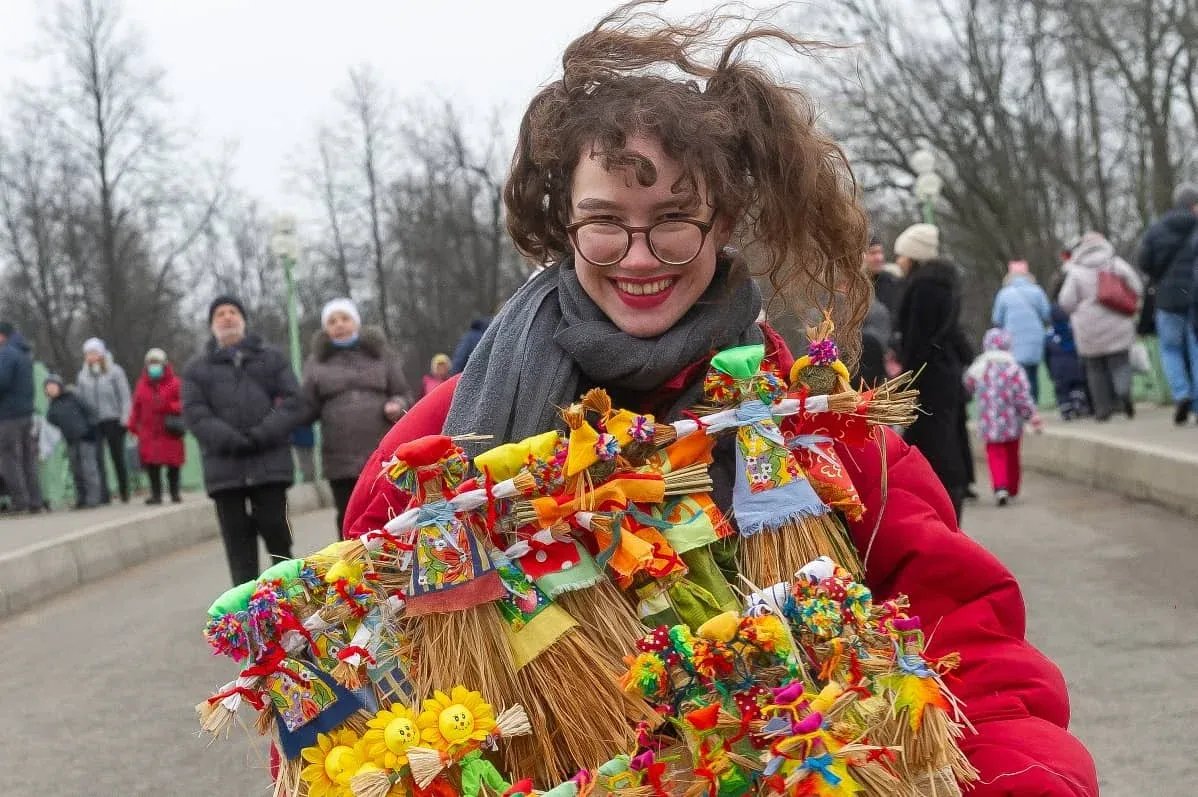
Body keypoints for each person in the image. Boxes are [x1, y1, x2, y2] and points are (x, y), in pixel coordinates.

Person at [337, 12, 1096, 795]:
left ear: (724, 220)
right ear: (564, 223)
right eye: (604, 223)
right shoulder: (441, 449)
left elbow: (966, 637)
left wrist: (1025, 777)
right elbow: (352, 696)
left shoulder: (814, 423)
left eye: (674, 221)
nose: (638, 257)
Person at [182, 296, 303, 584]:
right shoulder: (197, 369)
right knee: (237, 543)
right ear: (212, 324)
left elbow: (293, 401)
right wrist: (230, 439)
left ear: (243, 319)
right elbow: (195, 413)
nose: (227, 318)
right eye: (220, 314)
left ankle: (290, 593)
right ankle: (245, 609)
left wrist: (264, 432)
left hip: (270, 463)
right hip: (225, 469)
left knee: (278, 532)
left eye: (233, 312)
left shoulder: (271, 358)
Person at [300, 297, 412, 537]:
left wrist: (397, 404)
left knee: (388, 508)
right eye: (332, 321)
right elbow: (306, 405)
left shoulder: (381, 354)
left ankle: (392, 562)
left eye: (344, 318)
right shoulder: (316, 363)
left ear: (356, 322)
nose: (339, 325)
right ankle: (351, 565)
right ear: (325, 328)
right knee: (347, 512)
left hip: (381, 449)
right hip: (339, 456)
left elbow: (402, 392)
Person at [892, 223, 973, 519]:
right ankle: (949, 498)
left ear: (913, 256)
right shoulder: (944, 284)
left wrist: (906, 380)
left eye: (902, 255)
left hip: (928, 379)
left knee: (933, 444)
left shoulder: (924, 288)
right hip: (943, 373)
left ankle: (940, 504)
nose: (898, 260)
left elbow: (917, 339)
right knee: (943, 440)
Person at [1059, 232, 1144, 421]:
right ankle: (1123, 394)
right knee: (1120, 362)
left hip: (1088, 328)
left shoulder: (1075, 271)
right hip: (1118, 322)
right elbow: (1137, 287)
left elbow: (1066, 302)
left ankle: (1102, 410)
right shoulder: (1115, 263)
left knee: (1095, 369)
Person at [1138, 183, 1198, 425]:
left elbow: (1144, 261)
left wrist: (1159, 277)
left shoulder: (1157, 229)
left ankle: (1181, 394)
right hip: (1194, 295)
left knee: (1170, 349)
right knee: (1195, 348)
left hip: (1167, 297)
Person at [964, 329, 1043, 506]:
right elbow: (1022, 395)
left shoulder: (979, 367)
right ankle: (1012, 487)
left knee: (995, 454)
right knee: (1012, 454)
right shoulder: (1014, 368)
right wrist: (1031, 415)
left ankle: (1000, 487)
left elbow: (967, 387)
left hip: (989, 422)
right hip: (1012, 423)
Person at [76, 337, 132, 504]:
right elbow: (81, 398)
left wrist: (125, 418)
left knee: (117, 456)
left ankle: (124, 490)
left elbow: (124, 396)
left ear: (100, 353)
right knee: (97, 458)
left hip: (113, 419)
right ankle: (103, 493)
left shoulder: (114, 371)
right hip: (94, 422)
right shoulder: (83, 376)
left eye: (93, 353)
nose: (90, 356)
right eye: (87, 354)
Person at [127, 348, 185, 505]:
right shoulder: (142, 384)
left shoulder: (175, 383)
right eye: (151, 363)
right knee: (152, 465)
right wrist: (132, 425)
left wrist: (169, 406)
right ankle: (156, 494)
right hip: (149, 431)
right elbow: (136, 406)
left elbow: (183, 404)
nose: (154, 366)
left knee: (173, 464)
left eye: (157, 363)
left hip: (169, 429)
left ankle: (174, 492)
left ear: (164, 364)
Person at [991, 259, 1051, 403]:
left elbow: (997, 319)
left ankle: (1018, 403)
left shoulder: (1004, 294)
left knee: (1016, 372)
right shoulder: (1037, 291)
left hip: (1012, 338)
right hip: (1036, 335)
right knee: (1033, 372)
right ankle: (1033, 405)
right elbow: (1046, 313)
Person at [0, 322, 43, 514]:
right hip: (26, 413)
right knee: (28, 458)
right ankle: (35, 500)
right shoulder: (25, 354)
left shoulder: (6, 353)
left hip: (9, 414)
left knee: (9, 458)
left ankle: (20, 501)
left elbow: (2, 381)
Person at [42, 374, 102, 508]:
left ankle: (93, 498)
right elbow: (51, 420)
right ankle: (81, 498)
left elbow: (89, 410)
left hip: (86, 436)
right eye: (48, 387)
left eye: (53, 386)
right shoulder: (52, 406)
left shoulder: (73, 396)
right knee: (76, 470)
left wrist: (91, 427)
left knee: (88, 468)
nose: (51, 389)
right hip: (70, 439)